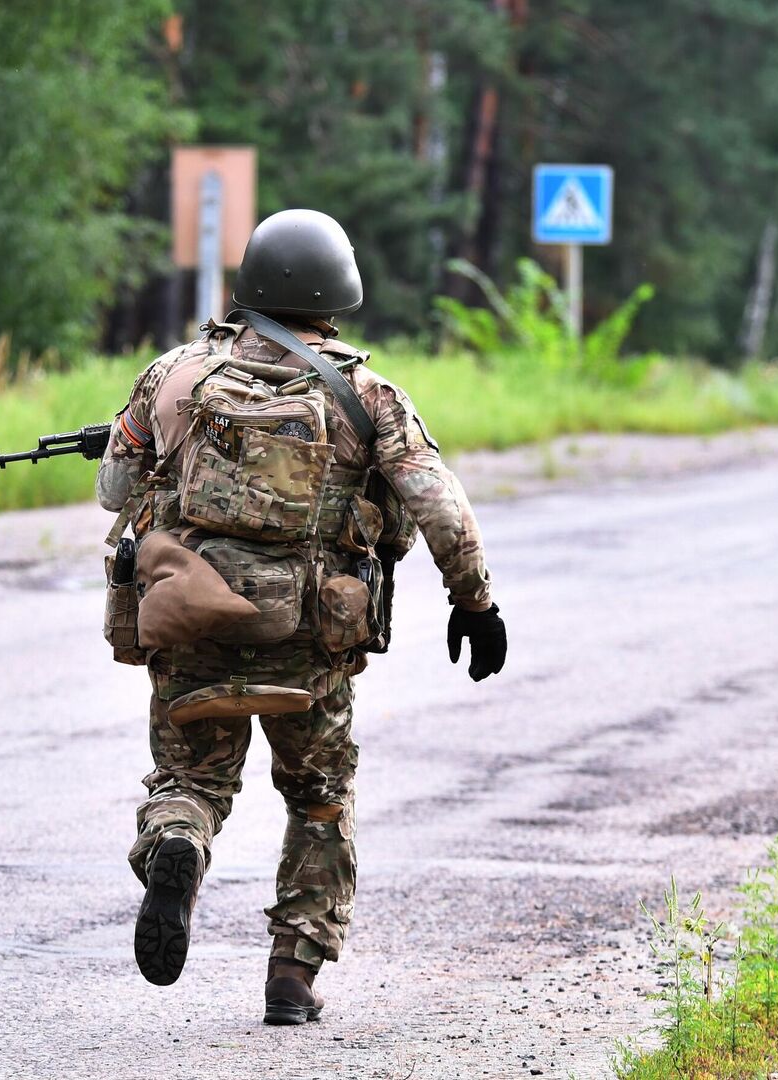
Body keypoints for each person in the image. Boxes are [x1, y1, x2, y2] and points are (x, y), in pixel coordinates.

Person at [95, 208, 506, 1025]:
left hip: (193, 624)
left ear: (251, 283)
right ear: (338, 293)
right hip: (309, 641)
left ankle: (178, 839)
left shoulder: (175, 374)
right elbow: (437, 502)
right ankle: (293, 971)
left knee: (191, 778)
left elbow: (116, 487)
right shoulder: (369, 394)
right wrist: (476, 601)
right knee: (319, 795)